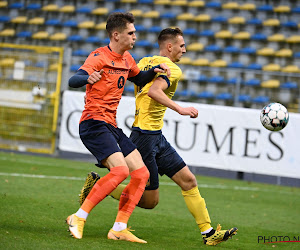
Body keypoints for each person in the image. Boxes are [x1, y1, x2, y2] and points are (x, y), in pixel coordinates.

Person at [78, 28, 238, 246]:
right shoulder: (172, 69)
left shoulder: (144, 61)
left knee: (188, 180)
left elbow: (139, 81)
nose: (185, 49)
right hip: (144, 137)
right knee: (150, 201)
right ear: (169, 47)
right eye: (181, 46)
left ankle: (208, 233)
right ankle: (102, 189)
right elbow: (154, 91)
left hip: (155, 134)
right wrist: (180, 109)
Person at [66, 12, 171, 243]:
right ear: (116, 35)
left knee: (141, 174)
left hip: (110, 125)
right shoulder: (98, 56)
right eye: (131, 33)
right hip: (93, 123)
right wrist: (87, 78)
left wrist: (156, 70)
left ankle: (119, 228)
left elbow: (139, 78)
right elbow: (73, 80)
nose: (135, 36)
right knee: (121, 171)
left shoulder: (127, 59)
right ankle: (78, 217)